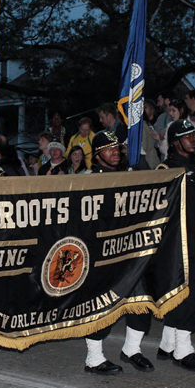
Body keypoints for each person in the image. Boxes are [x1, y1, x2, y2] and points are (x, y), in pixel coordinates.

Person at [152, 119, 195, 370]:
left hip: (191, 239)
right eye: (188, 136)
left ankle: (168, 343)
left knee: (187, 290)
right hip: (172, 243)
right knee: (184, 293)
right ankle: (183, 350)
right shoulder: (165, 170)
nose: (194, 139)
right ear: (176, 141)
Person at [83, 131, 125, 375]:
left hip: (122, 250)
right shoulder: (89, 180)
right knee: (97, 303)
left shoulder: (126, 177)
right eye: (109, 148)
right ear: (98, 154)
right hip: (98, 251)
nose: (115, 151)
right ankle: (94, 357)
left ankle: (133, 349)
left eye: (117, 147)